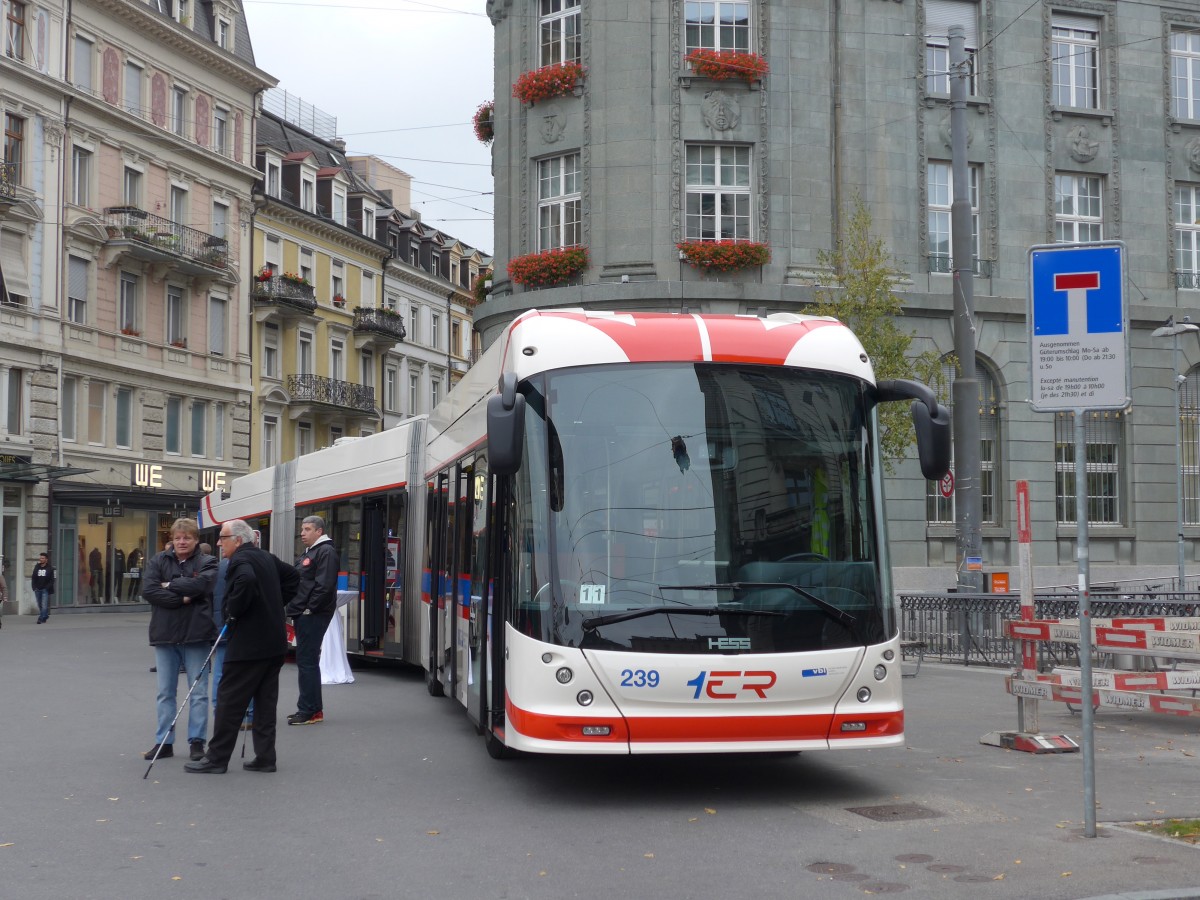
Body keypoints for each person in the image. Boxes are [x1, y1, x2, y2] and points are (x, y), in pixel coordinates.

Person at [187, 518, 299, 774]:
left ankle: (216, 758)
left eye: (223, 537)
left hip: (249, 643)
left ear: (238, 540)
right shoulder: (266, 557)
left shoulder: (239, 560)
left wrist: (234, 612)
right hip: (273, 643)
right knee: (265, 703)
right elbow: (293, 576)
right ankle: (265, 757)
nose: (218, 543)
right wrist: (273, 601)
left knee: (229, 700)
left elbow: (246, 582)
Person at [141, 518, 218, 762]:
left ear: (196, 540)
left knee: (199, 692)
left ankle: (197, 742)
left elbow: (202, 585)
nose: (182, 542)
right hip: (165, 635)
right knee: (165, 692)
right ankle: (164, 741)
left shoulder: (208, 561)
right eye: (177, 538)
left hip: (197, 635)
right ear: (171, 540)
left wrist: (169, 585)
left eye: (187, 537)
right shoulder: (158, 560)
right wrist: (183, 598)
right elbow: (149, 591)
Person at [285, 515, 338, 725]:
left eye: (307, 529)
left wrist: (309, 609)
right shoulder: (313, 552)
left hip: (312, 615)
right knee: (307, 662)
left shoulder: (325, 551)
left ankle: (308, 710)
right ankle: (312, 709)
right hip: (305, 613)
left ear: (319, 531)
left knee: (307, 662)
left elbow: (324, 586)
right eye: (302, 529)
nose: (302, 533)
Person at [32, 552, 55, 623]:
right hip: (37, 589)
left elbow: (52, 580)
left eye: (42, 558)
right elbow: (34, 577)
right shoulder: (37, 567)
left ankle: (40, 618)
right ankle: (45, 615)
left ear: (46, 559)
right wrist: (34, 587)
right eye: (40, 558)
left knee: (44, 605)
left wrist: (47, 588)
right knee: (39, 604)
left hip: (45, 589)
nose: (41, 559)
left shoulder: (50, 568)